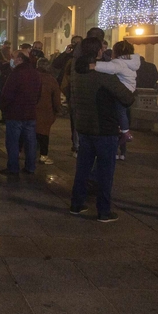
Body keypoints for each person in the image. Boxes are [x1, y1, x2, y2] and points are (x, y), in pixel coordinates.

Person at [68, 36, 136, 222]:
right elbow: (127, 98)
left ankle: (77, 203)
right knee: (106, 172)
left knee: (82, 168)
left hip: (84, 125)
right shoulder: (103, 74)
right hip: (104, 127)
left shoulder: (76, 71)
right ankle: (104, 210)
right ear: (98, 51)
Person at [91, 40, 141, 149]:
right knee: (122, 112)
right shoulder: (131, 62)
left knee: (120, 111)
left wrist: (94, 66)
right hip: (129, 90)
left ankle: (125, 131)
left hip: (122, 90)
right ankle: (123, 131)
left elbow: (110, 68)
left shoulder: (119, 63)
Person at [0, 49, 41, 176]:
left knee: (13, 142)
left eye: (13, 57)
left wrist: (4, 108)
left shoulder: (16, 73)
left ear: (20, 59)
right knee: (30, 142)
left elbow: (7, 94)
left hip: (15, 113)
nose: (11, 59)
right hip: (30, 113)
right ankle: (30, 166)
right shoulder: (35, 73)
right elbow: (39, 93)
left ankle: (13, 167)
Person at [35, 57, 63, 164]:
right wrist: (57, 109)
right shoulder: (51, 80)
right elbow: (56, 98)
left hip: (32, 109)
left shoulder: (32, 76)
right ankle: (43, 155)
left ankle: (23, 152)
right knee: (44, 134)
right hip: (46, 111)